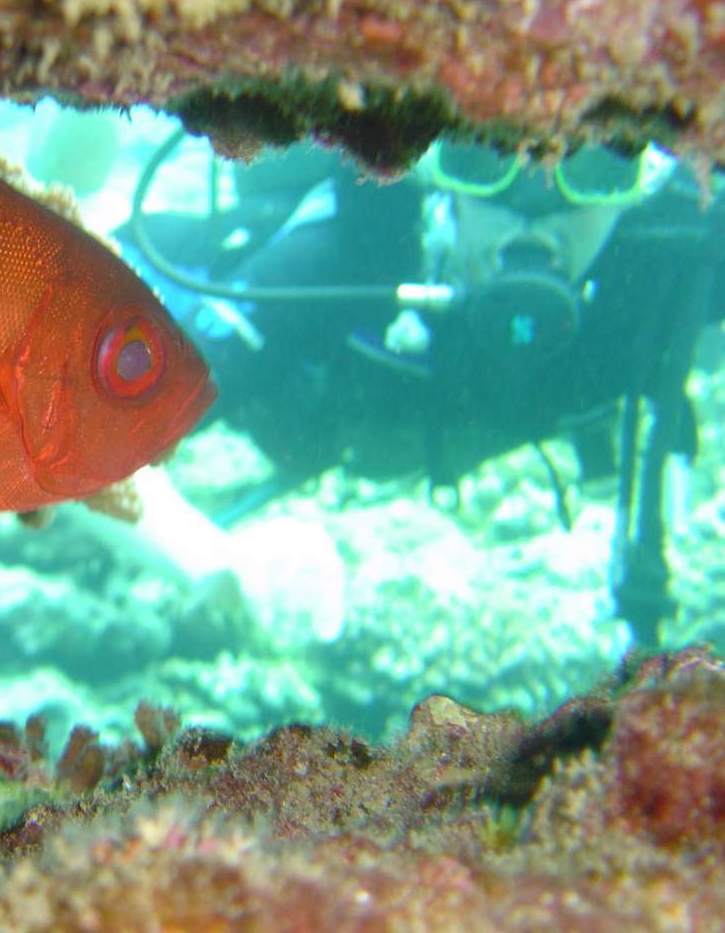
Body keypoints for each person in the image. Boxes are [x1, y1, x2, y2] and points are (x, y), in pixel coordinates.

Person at [114, 132, 725, 645]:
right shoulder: (348, 256)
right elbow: (109, 422)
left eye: (595, 170)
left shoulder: (665, 271)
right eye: (487, 159)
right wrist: (206, 559)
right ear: (439, 170)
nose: (534, 215)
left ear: (641, 184)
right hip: (238, 348)